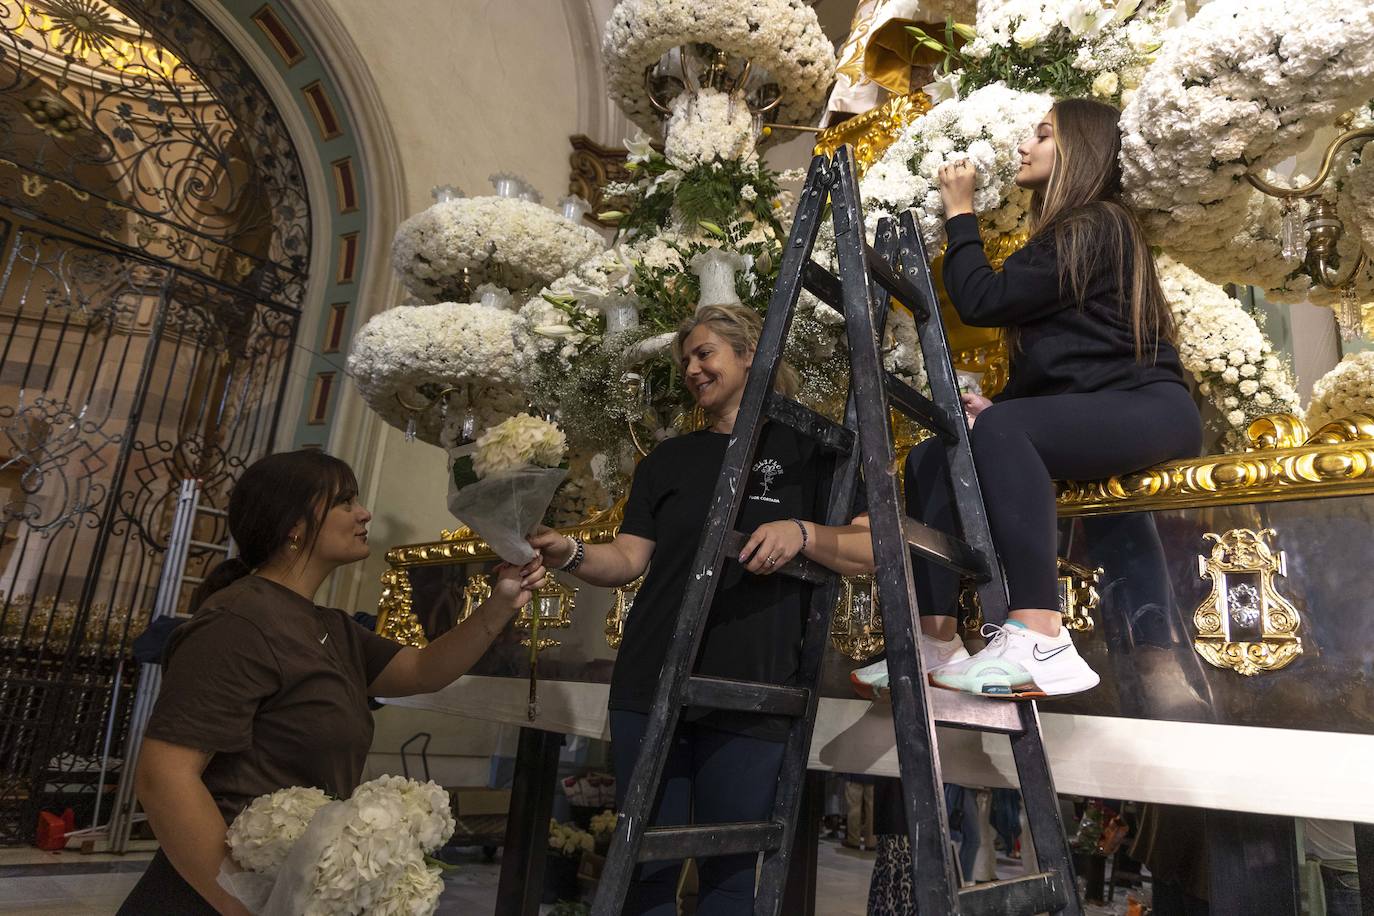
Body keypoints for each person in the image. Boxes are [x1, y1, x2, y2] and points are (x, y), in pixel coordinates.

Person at [528, 304, 875, 916]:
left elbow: (872, 547)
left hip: (754, 686)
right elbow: (628, 558)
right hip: (652, 677)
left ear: (750, 354)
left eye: (705, 353)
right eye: (686, 359)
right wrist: (569, 552)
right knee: (644, 870)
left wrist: (802, 532)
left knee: (732, 875)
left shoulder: (815, 451)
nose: (691, 369)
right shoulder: (667, 460)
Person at [853, 97, 1201, 700]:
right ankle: (935, 639)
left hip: (1148, 405)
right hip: (1099, 403)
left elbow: (982, 300)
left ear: (1079, 151)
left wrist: (960, 214)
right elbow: (1067, 355)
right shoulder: (1070, 233)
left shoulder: (1098, 222)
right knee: (932, 457)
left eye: (1042, 135)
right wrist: (1002, 402)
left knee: (1005, 430)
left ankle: (1041, 633)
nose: (1024, 145)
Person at [119, 450, 544, 915]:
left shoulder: (331, 626)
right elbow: (164, 777)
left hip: (285, 890)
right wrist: (246, 904)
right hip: (213, 893)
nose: (364, 513)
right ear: (293, 525)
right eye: (344, 502)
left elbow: (423, 670)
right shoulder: (238, 621)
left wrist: (503, 601)